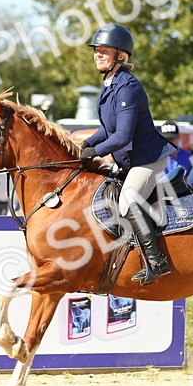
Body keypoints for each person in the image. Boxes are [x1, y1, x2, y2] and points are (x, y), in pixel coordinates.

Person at [79, 23, 177, 285]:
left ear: (120, 56)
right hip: (130, 160)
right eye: (96, 50)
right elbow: (106, 128)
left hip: (148, 159)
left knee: (127, 200)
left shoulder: (128, 87)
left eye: (104, 51)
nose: (98, 54)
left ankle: (157, 262)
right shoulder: (110, 84)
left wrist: (95, 153)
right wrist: (85, 144)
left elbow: (121, 136)